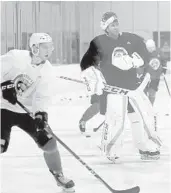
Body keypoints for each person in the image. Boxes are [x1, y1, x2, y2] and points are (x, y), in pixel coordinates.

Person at [80, 12, 162, 163]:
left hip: (133, 88)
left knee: (142, 117)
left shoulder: (131, 39)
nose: (116, 27)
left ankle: (144, 147)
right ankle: (111, 149)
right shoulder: (98, 42)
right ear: (105, 27)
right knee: (116, 120)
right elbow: (86, 63)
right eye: (112, 25)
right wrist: (92, 78)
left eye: (117, 24)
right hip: (113, 90)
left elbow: (145, 54)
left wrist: (138, 62)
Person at [1, 33, 75, 192]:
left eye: (51, 46)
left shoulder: (47, 70)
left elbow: (41, 96)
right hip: (3, 107)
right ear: (34, 48)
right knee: (1, 145)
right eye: (45, 47)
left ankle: (59, 175)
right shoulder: (15, 57)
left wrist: (40, 114)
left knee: (49, 143)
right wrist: (4, 86)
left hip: (24, 111)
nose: (49, 50)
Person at [144, 39, 167, 105]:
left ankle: (150, 107)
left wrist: (163, 71)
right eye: (149, 48)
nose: (150, 49)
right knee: (144, 93)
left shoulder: (159, 52)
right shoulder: (144, 53)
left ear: (154, 46)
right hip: (145, 77)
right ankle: (145, 107)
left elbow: (164, 61)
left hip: (155, 77)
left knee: (152, 93)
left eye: (152, 47)